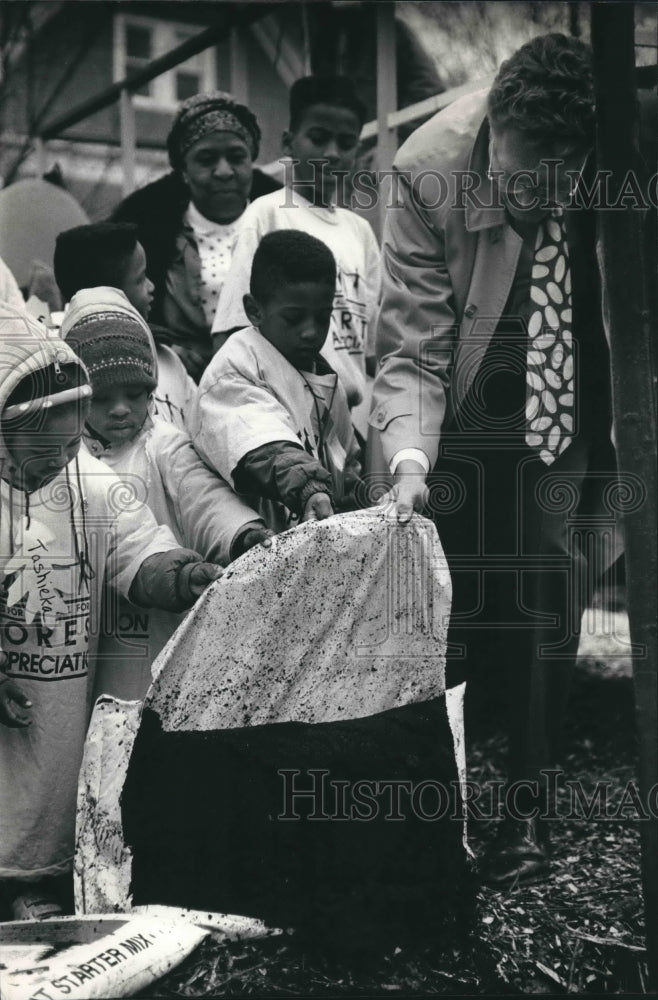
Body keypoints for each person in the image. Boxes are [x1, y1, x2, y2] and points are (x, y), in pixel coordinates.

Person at [370, 33, 619, 885]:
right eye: (524, 172)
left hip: (577, 391)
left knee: (547, 587)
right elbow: (409, 348)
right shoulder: (425, 167)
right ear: (494, 129)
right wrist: (408, 459)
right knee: (451, 598)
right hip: (471, 392)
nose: (540, 192)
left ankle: (528, 809)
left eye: (563, 175)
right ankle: (434, 806)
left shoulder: (626, 154)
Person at [0, 304, 223, 918]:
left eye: (73, 444)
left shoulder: (88, 482)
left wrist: (179, 574)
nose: (62, 460)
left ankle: (39, 886)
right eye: (45, 452)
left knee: (54, 792)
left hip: (63, 692)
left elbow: (135, 543)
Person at [61, 286, 271, 701]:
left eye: (135, 394)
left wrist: (242, 534)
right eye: (103, 398)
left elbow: (204, 497)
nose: (121, 409)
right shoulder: (65, 460)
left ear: (152, 389)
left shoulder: (164, 445)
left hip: (160, 623)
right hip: (90, 634)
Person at [212, 75, 381, 435]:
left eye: (346, 142)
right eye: (319, 138)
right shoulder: (267, 213)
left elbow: (370, 351)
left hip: (353, 423)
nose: (333, 153)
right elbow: (233, 330)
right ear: (289, 142)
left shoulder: (360, 232)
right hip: (287, 417)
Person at [189, 230, 363, 534]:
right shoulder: (235, 368)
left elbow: (346, 470)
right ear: (254, 310)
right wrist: (309, 486)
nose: (310, 332)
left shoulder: (324, 375)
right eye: (294, 318)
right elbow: (264, 448)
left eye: (322, 318)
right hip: (256, 554)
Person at [112, 92, 281, 381]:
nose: (224, 171)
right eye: (207, 159)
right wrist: (158, 346)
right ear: (184, 171)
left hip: (267, 378)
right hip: (175, 382)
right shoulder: (146, 226)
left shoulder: (281, 218)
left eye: (236, 157)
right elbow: (116, 307)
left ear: (251, 160)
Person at [54, 222, 195, 428]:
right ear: (104, 295)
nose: (151, 286)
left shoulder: (166, 358)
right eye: (140, 279)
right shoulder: (64, 374)